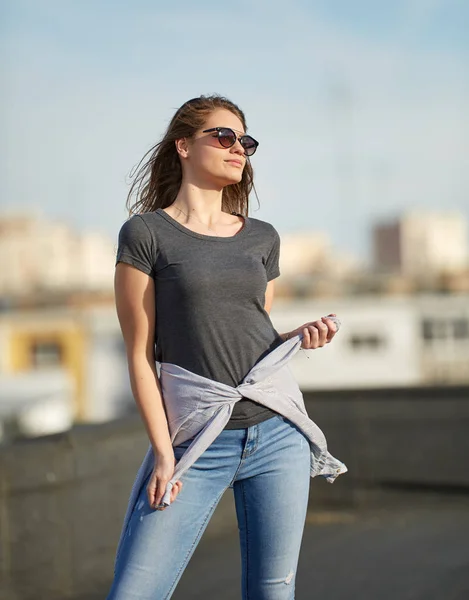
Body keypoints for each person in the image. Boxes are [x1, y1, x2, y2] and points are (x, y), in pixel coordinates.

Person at [106, 94, 341, 600]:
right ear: (184, 145)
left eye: (246, 141)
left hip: (278, 435)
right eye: (224, 136)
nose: (239, 148)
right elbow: (140, 357)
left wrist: (298, 337)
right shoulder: (147, 234)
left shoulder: (261, 237)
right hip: (195, 443)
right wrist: (165, 455)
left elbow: (250, 334)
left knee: (273, 592)